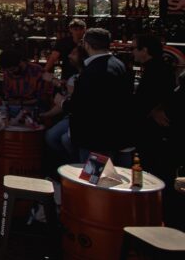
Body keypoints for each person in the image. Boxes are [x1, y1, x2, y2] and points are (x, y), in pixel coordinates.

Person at [57, 27, 134, 164]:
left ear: (87, 44)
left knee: (94, 176)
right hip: (116, 133)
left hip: (95, 137)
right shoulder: (119, 65)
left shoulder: (91, 71)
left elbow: (80, 105)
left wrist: (62, 102)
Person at [131, 34, 176, 171]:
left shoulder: (157, 70)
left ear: (144, 50)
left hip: (153, 131)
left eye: (134, 48)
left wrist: (156, 109)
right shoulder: (157, 67)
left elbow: (148, 99)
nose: (132, 52)